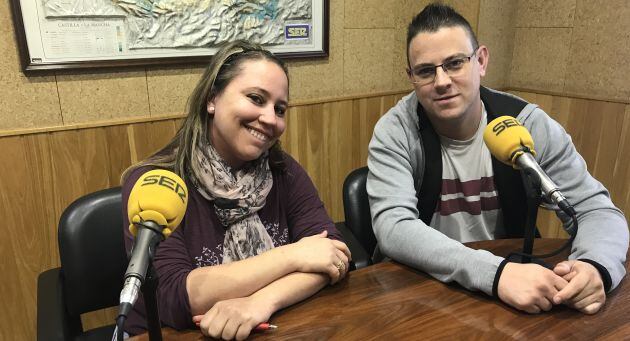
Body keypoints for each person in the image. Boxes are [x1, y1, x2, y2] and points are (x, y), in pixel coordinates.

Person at [367, 3, 628, 315]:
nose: (441, 81)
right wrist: (495, 273)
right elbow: (394, 228)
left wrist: (594, 266)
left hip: (513, 292)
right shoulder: (395, 131)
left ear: (481, 61)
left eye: (454, 63)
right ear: (411, 77)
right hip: (426, 290)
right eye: (426, 70)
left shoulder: (528, 124)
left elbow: (596, 210)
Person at [121, 40, 351, 340]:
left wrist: (260, 302)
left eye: (280, 109)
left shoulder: (284, 171)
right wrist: (294, 256)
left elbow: (333, 257)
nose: (270, 118)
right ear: (212, 98)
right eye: (256, 98)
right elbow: (176, 297)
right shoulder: (155, 183)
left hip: (269, 325)